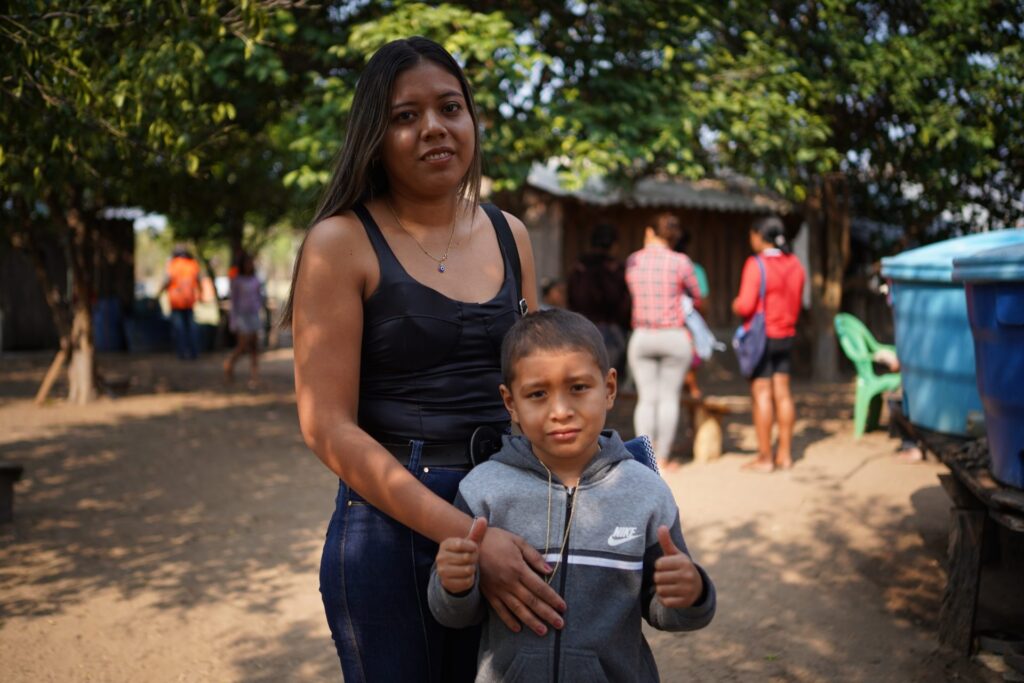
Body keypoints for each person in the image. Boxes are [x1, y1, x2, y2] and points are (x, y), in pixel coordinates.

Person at [279, 37, 565, 682]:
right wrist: (468, 537)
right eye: (405, 116)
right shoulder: (340, 242)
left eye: (450, 107)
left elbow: (536, 386)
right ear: (374, 136)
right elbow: (326, 426)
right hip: (390, 529)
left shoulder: (508, 232)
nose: (433, 127)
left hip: (509, 505)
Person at [428, 309, 716, 681]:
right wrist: (454, 583)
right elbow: (455, 615)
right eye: (537, 394)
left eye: (578, 388)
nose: (560, 411)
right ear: (510, 403)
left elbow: (665, 613)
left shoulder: (646, 492)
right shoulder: (482, 491)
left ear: (609, 388)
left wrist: (691, 594)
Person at [625, 212, 703, 466]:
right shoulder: (681, 262)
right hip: (674, 335)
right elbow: (697, 295)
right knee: (669, 398)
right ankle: (665, 457)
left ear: (649, 232)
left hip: (643, 335)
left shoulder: (633, 260)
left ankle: (645, 458)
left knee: (646, 399)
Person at [731, 216, 806, 472]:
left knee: (762, 393)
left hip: (762, 337)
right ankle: (784, 454)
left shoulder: (756, 264)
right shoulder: (795, 263)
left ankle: (764, 458)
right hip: (786, 334)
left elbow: (745, 305)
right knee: (783, 393)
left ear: (759, 236)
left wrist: (735, 305)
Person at [568, 222, 631, 378]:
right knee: (607, 380)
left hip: (579, 328)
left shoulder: (579, 267)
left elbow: (572, 298)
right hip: (612, 331)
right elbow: (622, 302)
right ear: (614, 244)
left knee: (582, 379)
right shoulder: (616, 270)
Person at [223, 252, 264, 388]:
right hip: (241, 316)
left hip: (253, 315)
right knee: (242, 346)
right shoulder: (237, 281)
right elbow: (233, 302)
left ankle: (255, 377)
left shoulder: (256, 280)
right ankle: (229, 364)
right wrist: (233, 321)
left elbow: (259, 297)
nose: (249, 265)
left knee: (254, 347)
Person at [159, 244, 202, 360]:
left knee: (179, 329)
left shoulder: (173, 264)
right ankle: (194, 353)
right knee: (191, 328)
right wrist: (201, 294)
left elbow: (167, 280)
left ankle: (182, 354)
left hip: (176, 301)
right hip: (189, 300)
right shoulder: (192, 264)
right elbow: (199, 280)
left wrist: (158, 294)